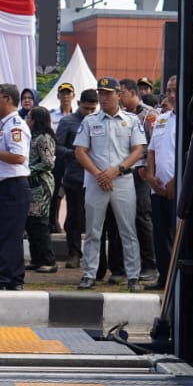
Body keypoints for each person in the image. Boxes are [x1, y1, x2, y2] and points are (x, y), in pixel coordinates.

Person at [75, 77, 147, 293]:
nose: (103, 97)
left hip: (122, 180)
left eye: (108, 93)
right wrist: (99, 174)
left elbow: (138, 149)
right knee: (93, 231)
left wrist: (118, 170)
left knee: (128, 230)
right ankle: (89, 274)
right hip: (97, 181)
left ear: (118, 94)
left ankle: (133, 275)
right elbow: (80, 151)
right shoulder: (89, 120)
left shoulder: (131, 120)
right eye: (101, 93)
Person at [0, 84, 29, 291]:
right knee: (8, 234)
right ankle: (13, 277)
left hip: (13, 187)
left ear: (8, 99)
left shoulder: (15, 125)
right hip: (3, 187)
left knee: (10, 235)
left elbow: (19, 157)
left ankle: (4, 278)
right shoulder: (1, 124)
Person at [116, 77, 161, 282]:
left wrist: (147, 170)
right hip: (122, 171)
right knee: (126, 218)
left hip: (141, 172)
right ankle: (130, 264)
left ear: (133, 93)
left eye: (121, 92)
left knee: (142, 217)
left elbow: (154, 146)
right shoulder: (121, 115)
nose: (118, 96)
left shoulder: (149, 115)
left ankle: (150, 264)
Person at [58, 90, 98, 269]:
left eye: (92, 109)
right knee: (74, 217)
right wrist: (75, 154)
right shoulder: (67, 122)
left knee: (94, 218)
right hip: (74, 176)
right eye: (86, 108)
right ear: (79, 103)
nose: (89, 112)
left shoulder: (99, 121)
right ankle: (74, 253)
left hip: (96, 176)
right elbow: (57, 147)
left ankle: (94, 256)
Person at [146, 75, 179, 289]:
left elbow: (189, 154)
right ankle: (163, 277)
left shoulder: (190, 118)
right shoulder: (161, 118)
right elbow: (151, 151)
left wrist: (176, 182)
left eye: (175, 90)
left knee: (176, 236)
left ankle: (177, 279)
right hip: (157, 187)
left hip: (178, 188)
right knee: (159, 235)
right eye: (168, 90)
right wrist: (150, 177)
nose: (172, 94)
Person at [25, 106, 58, 274]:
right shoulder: (32, 137)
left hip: (41, 185)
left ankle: (48, 260)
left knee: (40, 224)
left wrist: (27, 170)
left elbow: (48, 163)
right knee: (31, 223)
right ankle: (36, 258)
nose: (26, 120)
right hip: (31, 184)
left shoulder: (44, 138)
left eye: (29, 117)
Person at [48, 82, 76, 234]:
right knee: (56, 193)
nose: (65, 96)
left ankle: (70, 224)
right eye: (63, 93)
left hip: (73, 159)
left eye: (68, 93)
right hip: (57, 159)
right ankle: (53, 223)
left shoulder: (79, 115)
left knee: (73, 193)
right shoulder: (51, 115)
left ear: (73, 96)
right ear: (58, 96)